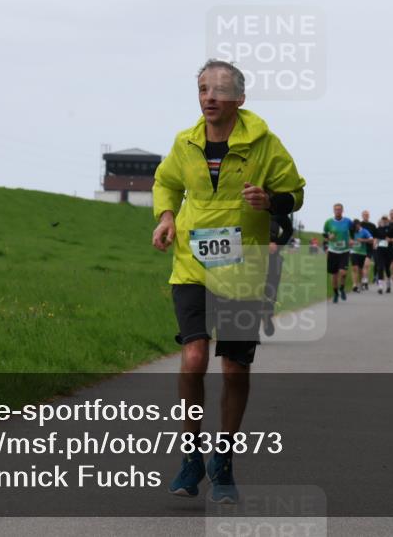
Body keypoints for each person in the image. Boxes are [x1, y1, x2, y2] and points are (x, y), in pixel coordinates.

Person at [152, 59, 305, 503]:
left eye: (218, 91)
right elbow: (166, 183)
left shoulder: (264, 143)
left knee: (234, 366)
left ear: (239, 98)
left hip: (243, 268)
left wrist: (272, 199)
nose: (209, 98)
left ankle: (224, 459)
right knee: (195, 354)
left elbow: (295, 191)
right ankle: (191, 455)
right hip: (192, 264)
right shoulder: (185, 143)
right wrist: (166, 218)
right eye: (202, 89)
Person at [262, 212, 294, 335]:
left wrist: (278, 244)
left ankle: (267, 316)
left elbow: (288, 229)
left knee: (270, 290)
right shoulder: (245, 207)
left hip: (272, 258)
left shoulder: (275, 210)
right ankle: (252, 330)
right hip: (250, 257)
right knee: (250, 291)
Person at [323, 203, 352, 303]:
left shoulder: (348, 221)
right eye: (336, 210)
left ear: (342, 210)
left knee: (343, 273)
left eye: (339, 209)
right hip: (333, 251)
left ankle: (342, 288)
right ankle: (335, 293)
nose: (338, 211)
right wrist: (328, 237)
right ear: (333, 211)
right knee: (334, 275)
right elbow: (324, 233)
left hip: (344, 250)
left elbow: (353, 232)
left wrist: (351, 239)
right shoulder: (329, 222)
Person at [349, 218, 374, 293]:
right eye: (353, 227)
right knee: (354, 268)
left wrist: (363, 240)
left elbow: (371, 240)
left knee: (360, 270)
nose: (355, 229)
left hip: (362, 253)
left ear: (359, 225)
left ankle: (360, 284)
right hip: (354, 252)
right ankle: (354, 285)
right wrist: (350, 242)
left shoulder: (365, 231)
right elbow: (348, 239)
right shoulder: (352, 231)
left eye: (355, 227)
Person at [372, 215, 393, 293]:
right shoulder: (377, 229)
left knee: (387, 268)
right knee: (380, 267)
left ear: (387, 220)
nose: (384, 221)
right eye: (383, 219)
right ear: (381, 220)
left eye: (385, 219)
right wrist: (375, 243)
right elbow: (374, 238)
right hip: (379, 251)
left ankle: (388, 285)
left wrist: (390, 239)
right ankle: (380, 287)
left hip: (389, 251)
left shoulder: (391, 229)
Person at [358, 210, 377, 289]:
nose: (366, 215)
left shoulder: (372, 225)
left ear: (369, 216)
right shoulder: (359, 225)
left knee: (366, 265)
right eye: (364, 214)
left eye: (367, 214)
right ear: (362, 215)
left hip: (369, 247)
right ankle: (363, 281)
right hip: (360, 247)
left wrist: (375, 243)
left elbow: (375, 236)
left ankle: (365, 281)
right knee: (361, 266)